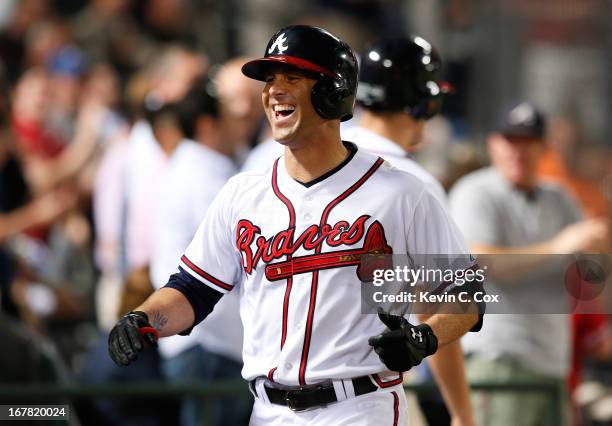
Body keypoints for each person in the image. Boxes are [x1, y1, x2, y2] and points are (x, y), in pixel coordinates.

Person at [108, 25, 481, 425]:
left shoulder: (402, 192)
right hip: (268, 412)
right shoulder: (243, 193)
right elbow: (192, 289)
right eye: (269, 80)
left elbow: (469, 295)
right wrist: (144, 319)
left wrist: (425, 338)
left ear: (332, 91)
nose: (273, 91)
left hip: (358, 407)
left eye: (292, 78)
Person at [449, 102, 608, 426]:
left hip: (553, 362)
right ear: (494, 144)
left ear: (544, 148)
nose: (518, 152)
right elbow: (480, 260)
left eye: (528, 142)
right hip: (500, 358)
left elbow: (589, 267)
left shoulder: (559, 196)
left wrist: (598, 245)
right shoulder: (477, 191)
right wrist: (560, 246)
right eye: (510, 141)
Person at [343, 36, 475, 426]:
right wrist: (461, 412)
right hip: (370, 393)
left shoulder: (293, 159)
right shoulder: (410, 183)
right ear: (426, 102)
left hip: (276, 391)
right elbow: (439, 305)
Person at [148, 76, 248, 426]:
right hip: (208, 340)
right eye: (229, 116)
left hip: (202, 339)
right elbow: (235, 257)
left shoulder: (195, 166)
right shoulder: (202, 172)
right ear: (207, 124)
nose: (240, 122)